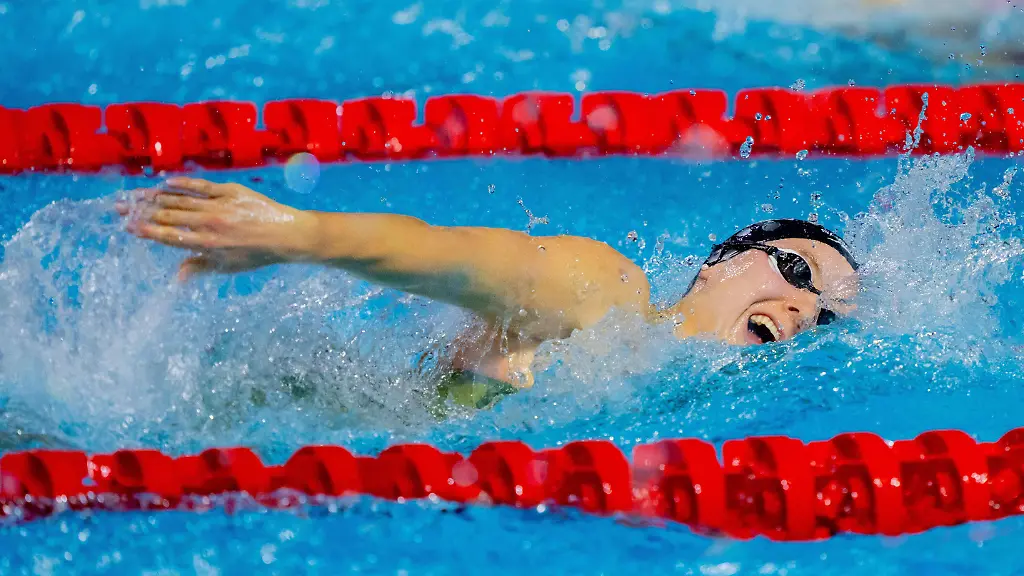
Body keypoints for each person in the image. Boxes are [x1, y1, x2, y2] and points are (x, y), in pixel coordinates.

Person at [115, 177, 859, 410]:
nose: (802, 310)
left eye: (823, 315)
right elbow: (459, 257)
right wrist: (301, 233)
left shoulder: (666, 394)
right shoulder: (612, 297)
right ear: (719, 262)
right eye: (796, 271)